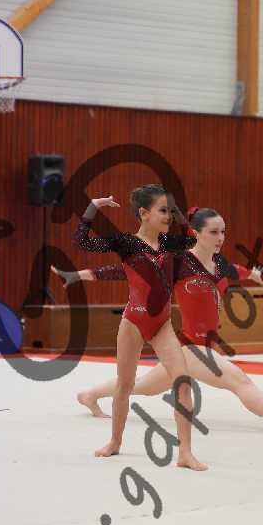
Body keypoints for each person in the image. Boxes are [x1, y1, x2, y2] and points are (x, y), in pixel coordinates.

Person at [59, 207, 263, 436]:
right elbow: (127, 271)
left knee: (142, 386)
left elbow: (237, 271)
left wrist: (254, 274)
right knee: (240, 381)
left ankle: (89, 395)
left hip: (197, 346)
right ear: (196, 233)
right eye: (213, 232)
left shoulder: (220, 264)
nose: (220, 238)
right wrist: (81, 275)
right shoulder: (178, 263)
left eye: (223, 232)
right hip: (190, 347)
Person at [72, 186, 207, 469]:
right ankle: (115, 442)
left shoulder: (171, 243)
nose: (169, 216)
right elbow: (82, 242)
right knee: (125, 385)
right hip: (133, 322)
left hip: (162, 324)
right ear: (144, 213)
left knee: (183, 382)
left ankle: (185, 452)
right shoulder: (126, 243)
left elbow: (192, 237)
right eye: (163, 210)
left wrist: (179, 210)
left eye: (170, 211)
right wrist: (93, 207)